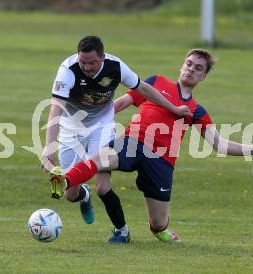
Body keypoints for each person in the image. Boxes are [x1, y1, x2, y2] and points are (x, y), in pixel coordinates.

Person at [49, 48, 253, 243]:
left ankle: (161, 228)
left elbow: (218, 144)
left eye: (198, 68)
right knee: (98, 163)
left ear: (203, 77)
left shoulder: (197, 110)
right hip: (132, 143)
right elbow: (120, 104)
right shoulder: (156, 83)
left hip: (161, 161)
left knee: (158, 224)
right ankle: (67, 181)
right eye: (188, 64)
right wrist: (89, 121)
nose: (191, 69)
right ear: (181, 66)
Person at [41, 36, 190, 243]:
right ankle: (84, 195)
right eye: (83, 62)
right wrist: (49, 148)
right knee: (70, 194)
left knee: (102, 186)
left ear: (102, 57)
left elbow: (144, 89)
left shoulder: (116, 67)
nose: (86, 67)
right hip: (71, 128)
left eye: (92, 62)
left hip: (101, 126)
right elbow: (56, 108)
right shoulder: (68, 70)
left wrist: (173, 108)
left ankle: (122, 231)